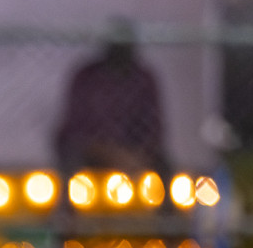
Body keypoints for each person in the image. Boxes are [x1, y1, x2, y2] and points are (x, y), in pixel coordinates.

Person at [54, 20, 168, 176]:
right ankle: (67, 199)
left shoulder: (142, 78)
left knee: (165, 167)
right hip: (91, 150)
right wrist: (110, 153)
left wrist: (139, 154)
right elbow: (75, 128)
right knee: (72, 161)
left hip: (132, 150)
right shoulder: (87, 76)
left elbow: (153, 125)